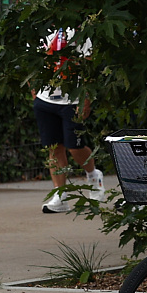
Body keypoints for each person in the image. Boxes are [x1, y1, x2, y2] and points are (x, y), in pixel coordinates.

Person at [34, 29, 100, 214]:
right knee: (54, 147)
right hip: (45, 99)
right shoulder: (40, 29)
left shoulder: (79, 31)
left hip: (71, 100)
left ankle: (93, 175)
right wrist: (35, 92)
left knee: (75, 147)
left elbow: (88, 66)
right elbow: (34, 62)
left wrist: (85, 99)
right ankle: (60, 195)